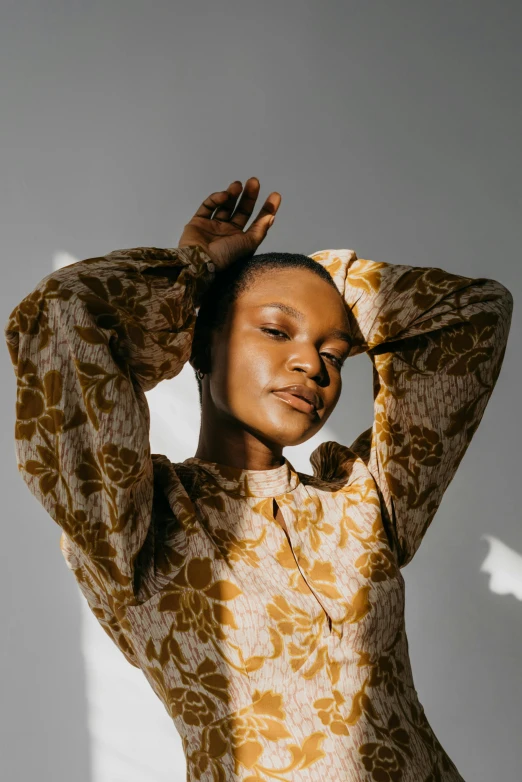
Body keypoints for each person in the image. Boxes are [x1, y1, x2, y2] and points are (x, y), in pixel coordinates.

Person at [5, 177, 513, 781]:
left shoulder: (365, 503)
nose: (311, 364)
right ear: (201, 345)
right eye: (277, 330)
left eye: (334, 353)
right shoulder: (127, 523)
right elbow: (64, 313)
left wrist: (314, 278)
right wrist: (195, 275)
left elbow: (475, 314)